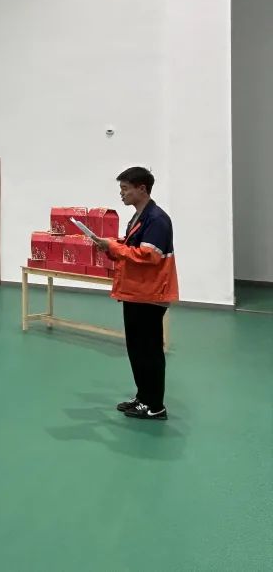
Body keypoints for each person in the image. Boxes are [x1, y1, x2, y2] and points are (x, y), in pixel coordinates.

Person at [86, 167, 179, 421]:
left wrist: (114, 247)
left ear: (142, 189)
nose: (122, 193)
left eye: (125, 188)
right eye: (121, 189)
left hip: (150, 294)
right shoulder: (139, 217)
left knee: (149, 350)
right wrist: (110, 246)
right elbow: (132, 248)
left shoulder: (157, 219)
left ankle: (155, 406)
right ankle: (143, 397)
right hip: (136, 292)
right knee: (137, 349)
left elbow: (149, 255)